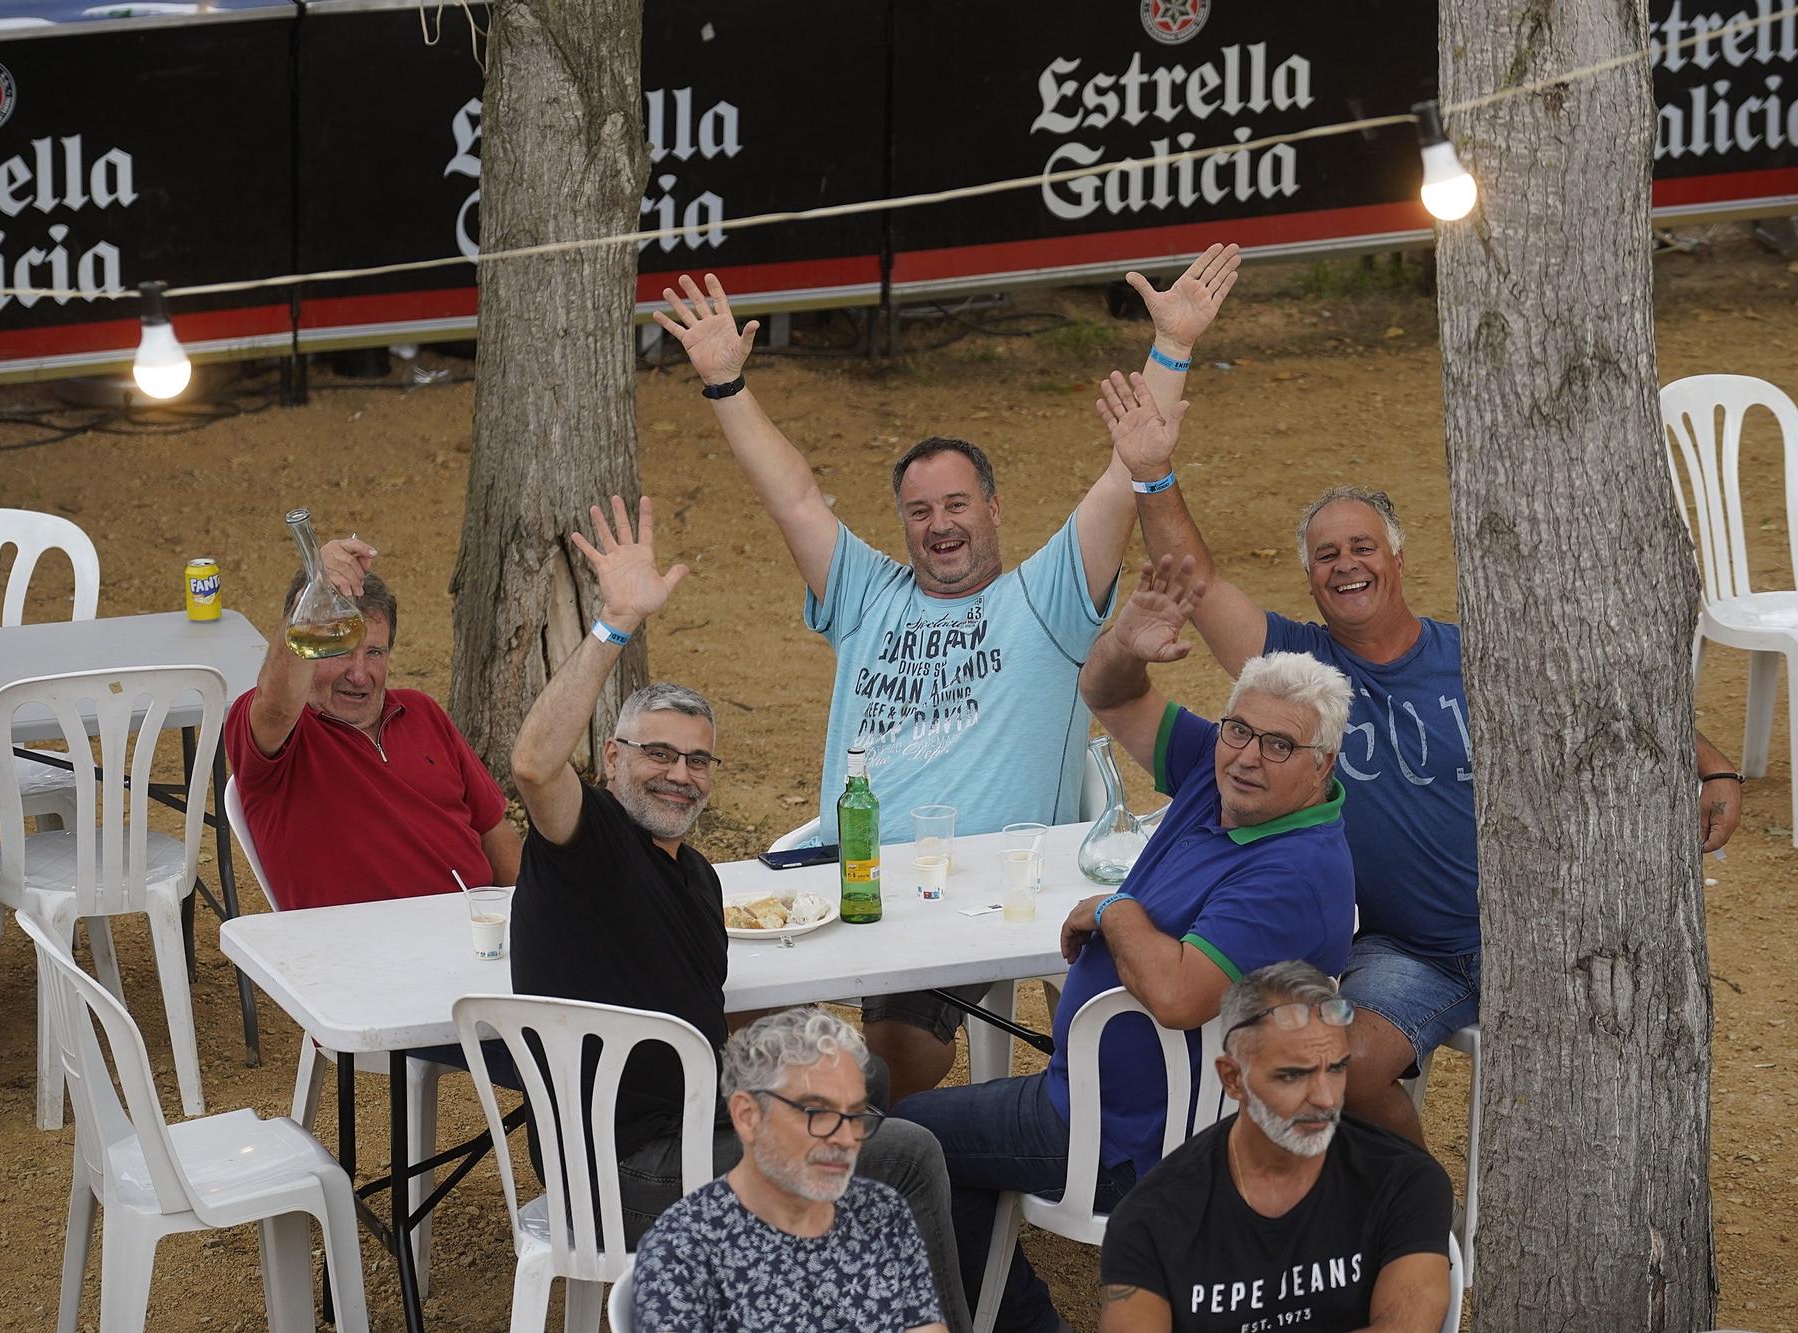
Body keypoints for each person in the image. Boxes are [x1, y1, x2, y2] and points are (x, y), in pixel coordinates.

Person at [653, 245, 1245, 1098]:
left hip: (971, 893)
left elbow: (1126, 473)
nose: (940, 526)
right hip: (836, 877)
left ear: (993, 509)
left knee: (894, 1067)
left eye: (957, 504)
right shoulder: (866, 594)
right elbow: (794, 499)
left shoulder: (1047, 597)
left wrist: (1174, 347)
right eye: (920, 511)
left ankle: (885, 1194)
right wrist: (725, 385)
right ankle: (743, 1197)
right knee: (704, 1016)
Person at [1120, 437, 1745, 1144]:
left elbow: (1599, 696)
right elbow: (1193, 580)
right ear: (1309, 577)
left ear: (1396, 559)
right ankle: (1423, 1227)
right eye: (1326, 555)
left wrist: (1710, 761)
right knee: (1334, 1070)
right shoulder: (1300, 670)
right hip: (1408, 949)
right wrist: (1152, 473)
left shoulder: (1472, 654)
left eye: (1363, 547)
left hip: (1535, 936)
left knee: (1606, 1089)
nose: (1346, 564)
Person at [505, 495, 969, 1328]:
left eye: (696, 759)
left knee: (861, 1084)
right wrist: (614, 625)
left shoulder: (698, 879)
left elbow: (710, 1020)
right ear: (611, 759)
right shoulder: (589, 842)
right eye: (656, 753)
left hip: (698, 1124)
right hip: (621, 1171)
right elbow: (536, 764)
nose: (678, 773)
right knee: (905, 1152)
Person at [892, 557, 1358, 1332]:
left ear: (1322, 767)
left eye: (1278, 745)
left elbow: (1176, 994)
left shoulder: (1295, 868)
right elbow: (1109, 692)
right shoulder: (1227, 776)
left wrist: (1116, 912)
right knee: (926, 1144)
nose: (1246, 754)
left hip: (1136, 1138)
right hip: (1109, 1105)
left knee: (903, 1143)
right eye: (1239, 729)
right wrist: (1124, 643)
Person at [1098, 961, 1454, 1333]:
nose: (1324, 1098)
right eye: (1292, 1075)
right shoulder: (1151, 1218)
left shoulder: (1405, 1182)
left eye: (1335, 1068)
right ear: (1233, 1079)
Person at [226, 532, 521, 909]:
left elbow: (494, 831)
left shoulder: (421, 712)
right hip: (362, 950)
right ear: (308, 647)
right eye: (340, 652)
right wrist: (312, 601)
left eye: (375, 652)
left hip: (473, 930)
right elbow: (277, 702)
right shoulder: (281, 737)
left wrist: (538, 916)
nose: (360, 674)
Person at [631, 1008, 948, 1333]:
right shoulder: (683, 1251)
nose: (845, 1138)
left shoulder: (881, 1211)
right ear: (747, 1115)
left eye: (855, 1115)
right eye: (817, 1113)